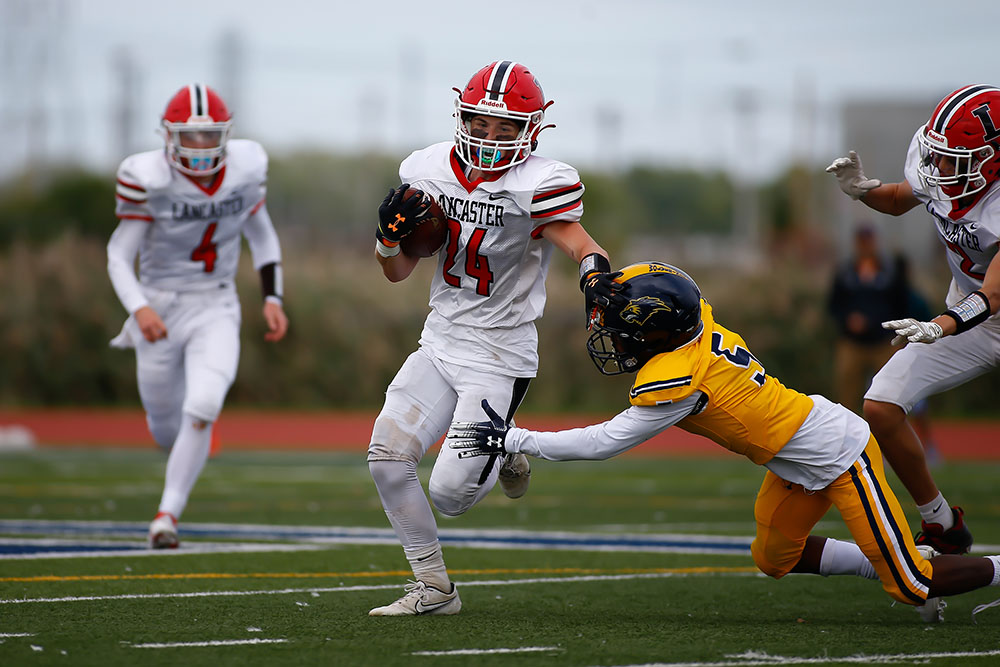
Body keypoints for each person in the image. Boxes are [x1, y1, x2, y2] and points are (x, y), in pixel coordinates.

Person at [447, 262, 1000, 622]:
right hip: (796, 458)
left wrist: (515, 437)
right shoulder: (696, 320)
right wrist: (599, 279)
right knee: (773, 556)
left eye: (622, 330)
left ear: (657, 334)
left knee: (910, 587)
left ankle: (965, 567)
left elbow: (604, 442)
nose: (613, 338)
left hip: (840, 456)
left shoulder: (681, 379)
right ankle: (897, 554)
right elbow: (654, 291)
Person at [367, 60, 612, 616]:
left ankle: (504, 451)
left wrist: (595, 275)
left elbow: (580, 244)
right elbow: (398, 271)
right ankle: (434, 589)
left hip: (500, 352)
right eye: (480, 123)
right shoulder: (426, 168)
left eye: (506, 128)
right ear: (462, 117)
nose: (489, 137)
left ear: (533, 129)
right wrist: (386, 243)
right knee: (386, 457)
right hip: (441, 336)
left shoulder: (541, 182)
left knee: (451, 497)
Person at [107, 83, 288, 549]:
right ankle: (187, 442)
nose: (202, 146)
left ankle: (166, 515)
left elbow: (262, 237)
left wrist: (273, 298)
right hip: (160, 304)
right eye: (191, 136)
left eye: (210, 136)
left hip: (216, 303)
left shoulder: (245, 170)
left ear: (226, 136)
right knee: (164, 424)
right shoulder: (147, 176)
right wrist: (139, 308)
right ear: (169, 136)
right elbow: (117, 254)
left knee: (203, 405)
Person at [825, 84, 1000, 555]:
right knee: (881, 404)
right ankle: (942, 522)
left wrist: (938, 325)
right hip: (970, 315)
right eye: (939, 156)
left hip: (980, 310)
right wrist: (864, 192)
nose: (940, 168)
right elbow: (902, 197)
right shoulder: (949, 171)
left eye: (954, 160)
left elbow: (994, 294)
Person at [826, 222, 911, 412]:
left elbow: (902, 305)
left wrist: (877, 324)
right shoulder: (845, 272)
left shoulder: (890, 272)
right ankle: (847, 435)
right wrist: (848, 320)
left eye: (868, 240)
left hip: (883, 343)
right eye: (861, 241)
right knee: (846, 394)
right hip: (852, 343)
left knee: (888, 395)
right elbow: (834, 305)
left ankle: (885, 436)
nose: (865, 245)